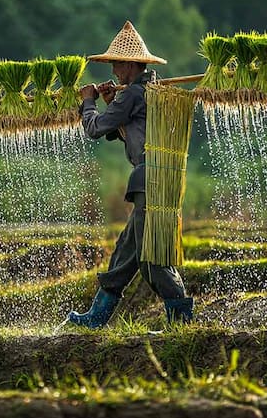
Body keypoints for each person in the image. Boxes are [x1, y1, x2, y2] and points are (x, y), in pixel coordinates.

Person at [67, 21, 193, 328]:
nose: (113, 70)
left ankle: (181, 322)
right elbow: (131, 131)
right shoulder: (151, 91)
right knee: (126, 251)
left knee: (152, 258)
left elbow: (95, 128)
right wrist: (112, 103)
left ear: (130, 65)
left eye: (116, 64)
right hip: (160, 179)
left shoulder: (133, 94)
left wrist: (88, 101)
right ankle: (97, 317)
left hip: (149, 180)